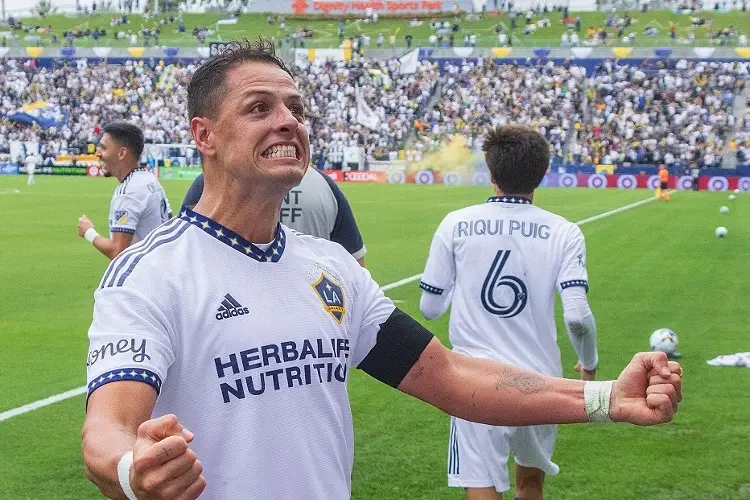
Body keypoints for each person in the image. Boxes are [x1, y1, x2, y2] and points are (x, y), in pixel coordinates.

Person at [81, 39, 682, 500]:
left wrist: (605, 397)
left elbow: (447, 376)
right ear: (203, 135)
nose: (288, 120)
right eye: (259, 108)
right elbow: (107, 428)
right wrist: (134, 471)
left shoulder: (329, 267)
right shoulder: (151, 272)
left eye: (295, 107)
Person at [419, 125, 599, 500]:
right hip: (541, 379)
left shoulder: (455, 223)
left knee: (482, 485)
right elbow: (578, 316)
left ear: (491, 171)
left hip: (475, 379)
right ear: (543, 172)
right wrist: (589, 365)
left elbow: (430, 308)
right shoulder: (565, 232)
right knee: (530, 483)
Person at [183, 168, 366, 265]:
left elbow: (183, 250)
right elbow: (356, 262)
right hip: (315, 306)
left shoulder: (210, 182)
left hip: (232, 310)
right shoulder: (325, 185)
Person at [77, 121, 173, 260]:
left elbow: (118, 251)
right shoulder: (150, 180)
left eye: (103, 148)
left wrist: (88, 232)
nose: (98, 153)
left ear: (122, 153)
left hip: (143, 274)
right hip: (159, 267)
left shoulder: (129, 192)